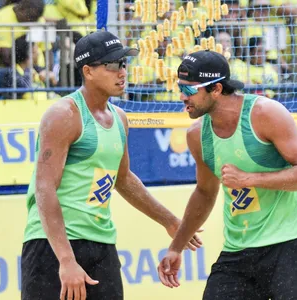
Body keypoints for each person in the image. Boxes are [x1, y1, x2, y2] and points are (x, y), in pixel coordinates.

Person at [21, 30, 202, 300]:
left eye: (124, 64)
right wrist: (66, 260)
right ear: (88, 71)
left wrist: (170, 221)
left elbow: (124, 179)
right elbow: (44, 188)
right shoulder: (64, 115)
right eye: (113, 65)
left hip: (101, 244)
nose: (122, 72)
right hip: (54, 246)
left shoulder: (119, 118)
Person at [157, 50, 297, 299]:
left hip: (288, 245)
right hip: (238, 251)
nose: (182, 97)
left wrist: (250, 179)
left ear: (216, 89)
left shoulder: (265, 114)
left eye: (190, 90)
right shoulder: (196, 135)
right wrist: (176, 247)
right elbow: (205, 193)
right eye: (180, 88)